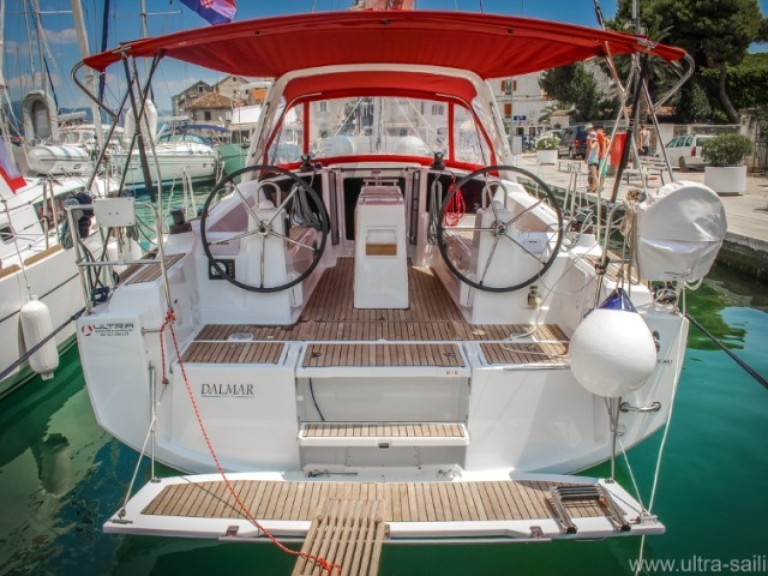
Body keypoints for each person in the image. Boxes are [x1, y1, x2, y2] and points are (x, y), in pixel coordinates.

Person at [585, 126, 599, 193]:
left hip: (594, 161)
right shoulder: (593, 143)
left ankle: (597, 188)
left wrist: (590, 141)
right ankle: (593, 188)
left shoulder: (596, 143)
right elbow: (589, 149)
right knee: (591, 176)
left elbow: (592, 147)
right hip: (591, 161)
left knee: (594, 175)